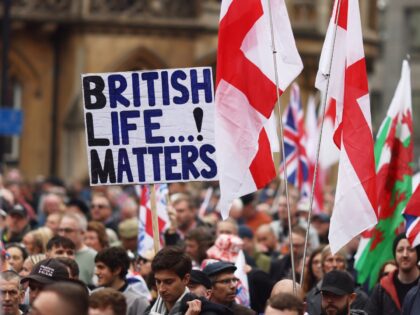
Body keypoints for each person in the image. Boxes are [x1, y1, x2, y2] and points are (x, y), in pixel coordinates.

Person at [365, 234, 420, 315]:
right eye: (400, 250)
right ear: (394, 254)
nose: (405, 255)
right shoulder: (381, 289)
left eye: (410, 249)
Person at [306, 245, 368, 315]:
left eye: (336, 295)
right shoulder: (311, 295)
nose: (334, 265)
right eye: (325, 295)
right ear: (322, 265)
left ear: (351, 298)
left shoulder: (360, 296)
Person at [94, 246, 149, 315]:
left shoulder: (138, 302)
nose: (96, 272)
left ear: (117, 270)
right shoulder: (93, 296)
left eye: (101, 267)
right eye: (97, 268)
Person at [149, 246, 192, 314]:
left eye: (168, 282)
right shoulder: (149, 310)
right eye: (158, 281)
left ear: (185, 279)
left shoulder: (203, 310)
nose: (161, 289)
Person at [58, 213, 96, 285]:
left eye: (68, 230)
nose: (62, 234)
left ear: (82, 232)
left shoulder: (94, 257)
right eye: (60, 230)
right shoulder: (53, 254)